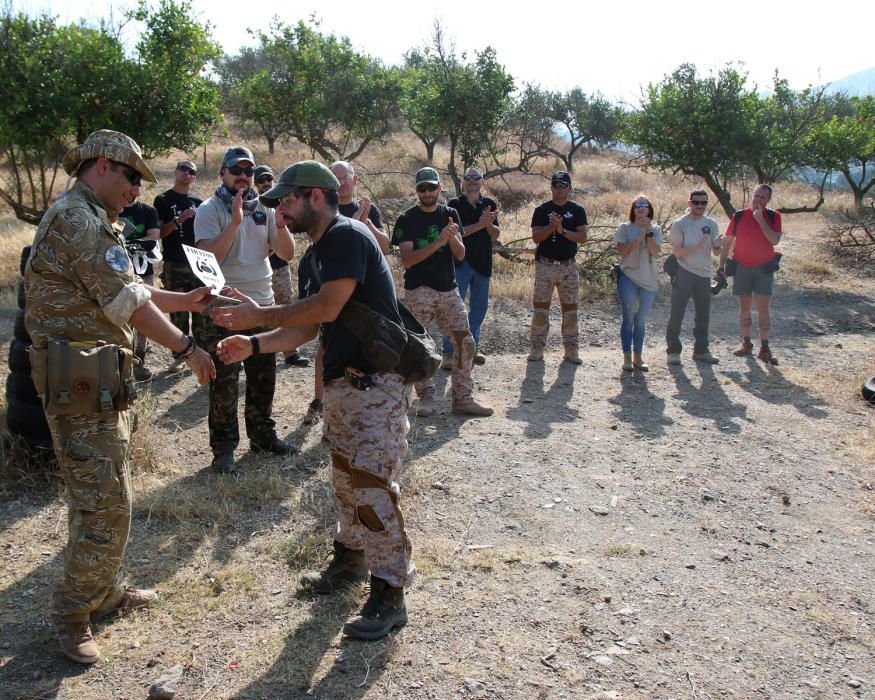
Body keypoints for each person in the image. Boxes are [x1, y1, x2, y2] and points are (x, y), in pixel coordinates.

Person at [24, 129, 215, 665]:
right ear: (103, 165)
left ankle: (102, 591)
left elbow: (129, 287)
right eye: (132, 177)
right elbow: (128, 304)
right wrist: (186, 348)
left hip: (95, 376)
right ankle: (71, 614)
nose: (137, 189)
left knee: (105, 493)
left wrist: (188, 301)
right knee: (105, 503)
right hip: (80, 380)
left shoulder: (92, 218)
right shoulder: (78, 222)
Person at [210, 160, 414, 640]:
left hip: (377, 387)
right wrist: (255, 342)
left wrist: (258, 313)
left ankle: (390, 594)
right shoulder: (315, 255)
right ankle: (349, 560)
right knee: (346, 481)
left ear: (316, 196)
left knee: (371, 487)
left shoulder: (346, 236)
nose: (280, 208)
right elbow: (307, 327)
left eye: (287, 199)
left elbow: (327, 307)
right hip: (345, 387)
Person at [194, 146, 296, 473]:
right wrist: (234, 222)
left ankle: (263, 436)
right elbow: (209, 260)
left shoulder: (264, 209)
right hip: (223, 308)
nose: (243, 176)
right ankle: (223, 449)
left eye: (248, 171)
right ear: (222, 173)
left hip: (262, 304)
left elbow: (287, 254)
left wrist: (279, 226)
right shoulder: (209, 210)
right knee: (223, 382)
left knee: (263, 376)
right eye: (236, 170)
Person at [391, 167, 493, 417]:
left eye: (431, 187)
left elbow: (460, 254)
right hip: (419, 290)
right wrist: (438, 241)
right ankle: (425, 398)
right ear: (417, 190)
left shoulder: (450, 214)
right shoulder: (407, 219)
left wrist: (452, 237)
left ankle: (462, 398)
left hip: (448, 290)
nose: (427, 192)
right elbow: (408, 260)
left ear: (440, 188)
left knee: (465, 342)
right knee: (419, 346)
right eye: (422, 188)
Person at [441, 167, 500, 368]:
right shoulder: (454, 205)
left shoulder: (489, 204)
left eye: (477, 178)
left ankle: (472, 347)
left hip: (483, 263)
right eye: (469, 178)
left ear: (483, 182)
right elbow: (456, 234)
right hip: (460, 263)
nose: (473, 181)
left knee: (479, 308)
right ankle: (449, 352)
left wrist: (488, 225)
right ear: (464, 181)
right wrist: (481, 224)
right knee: (454, 308)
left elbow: (496, 234)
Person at [719, 184, 783, 365]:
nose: (758, 200)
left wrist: (761, 220)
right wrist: (721, 265)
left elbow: (775, 240)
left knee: (763, 310)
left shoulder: (773, 216)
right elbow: (728, 241)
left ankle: (765, 347)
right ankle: (746, 343)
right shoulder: (739, 215)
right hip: (742, 267)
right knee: (745, 308)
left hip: (764, 268)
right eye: (756, 196)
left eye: (763, 197)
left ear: (768, 199)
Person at [528, 171, 588, 364]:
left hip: (568, 266)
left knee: (570, 311)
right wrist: (551, 227)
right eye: (556, 185)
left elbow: (582, 237)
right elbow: (536, 237)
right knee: (540, 311)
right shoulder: (541, 209)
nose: (559, 189)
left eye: (563, 185)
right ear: (551, 187)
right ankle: (537, 348)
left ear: (569, 188)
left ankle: (571, 350)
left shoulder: (577, 210)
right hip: (545, 265)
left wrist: (562, 230)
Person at [255, 164, 309, 368]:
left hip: (280, 267)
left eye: (269, 179)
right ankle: (258, 351)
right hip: (259, 270)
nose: (266, 183)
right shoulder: (253, 206)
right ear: (255, 183)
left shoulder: (283, 205)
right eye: (261, 180)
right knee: (260, 311)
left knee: (287, 308)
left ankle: (290, 352)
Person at [665, 190, 723, 365]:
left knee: (703, 315)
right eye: (696, 202)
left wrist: (718, 247)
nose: (699, 206)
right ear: (689, 203)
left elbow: (716, 251)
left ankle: (701, 350)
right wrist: (697, 247)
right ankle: (673, 351)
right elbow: (677, 252)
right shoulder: (680, 224)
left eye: (703, 203)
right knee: (677, 313)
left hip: (704, 273)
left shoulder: (711, 224)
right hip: (684, 271)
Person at [154, 160, 203, 360]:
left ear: (194, 177)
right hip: (174, 262)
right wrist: (177, 220)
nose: (186, 173)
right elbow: (159, 233)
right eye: (183, 169)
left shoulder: (199, 202)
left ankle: (201, 353)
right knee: (178, 312)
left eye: (191, 171)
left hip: (197, 263)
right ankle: (179, 356)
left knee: (201, 311)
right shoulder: (163, 200)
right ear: (176, 171)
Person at [614, 194, 662, 371]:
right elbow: (623, 251)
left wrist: (648, 234)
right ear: (633, 210)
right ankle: (626, 358)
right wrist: (638, 238)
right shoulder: (625, 228)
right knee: (628, 319)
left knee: (640, 320)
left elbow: (655, 252)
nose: (641, 209)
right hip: (629, 278)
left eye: (645, 205)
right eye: (637, 206)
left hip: (648, 280)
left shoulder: (656, 229)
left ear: (649, 210)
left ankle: (638, 357)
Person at [119, 199, 160, 380]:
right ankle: (121, 363)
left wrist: (128, 243)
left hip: (144, 271)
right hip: (117, 272)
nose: (134, 190)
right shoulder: (113, 209)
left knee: (145, 315)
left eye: (137, 185)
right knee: (120, 316)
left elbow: (153, 236)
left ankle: (139, 361)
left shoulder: (147, 210)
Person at [330, 160, 389, 252]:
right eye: (336, 179)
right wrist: (354, 224)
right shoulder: (323, 211)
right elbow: (322, 248)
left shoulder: (368, 209)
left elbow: (384, 246)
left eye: (345, 178)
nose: (341, 183)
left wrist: (365, 222)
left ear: (355, 180)